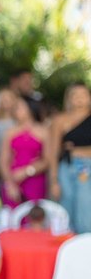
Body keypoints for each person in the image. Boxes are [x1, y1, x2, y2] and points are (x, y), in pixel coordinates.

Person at [49, 83, 91, 233]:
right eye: (75, 95)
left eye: (83, 95)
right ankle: (68, 247)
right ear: (68, 98)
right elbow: (53, 153)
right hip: (66, 167)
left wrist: (80, 151)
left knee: (85, 206)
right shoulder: (60, 120)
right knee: (66, 206)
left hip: (86, 168)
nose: (79, 99)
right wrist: (53, 180)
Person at [0, 97, 49, 207]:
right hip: (12, 179)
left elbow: (47, 160)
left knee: (34, 216)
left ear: (30, 109)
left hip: (35, 180)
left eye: (19, 107)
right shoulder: (9, 132)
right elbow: (3, 161)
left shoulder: (44, 132)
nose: (16, 110)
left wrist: (27, 171)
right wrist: (9, 183)